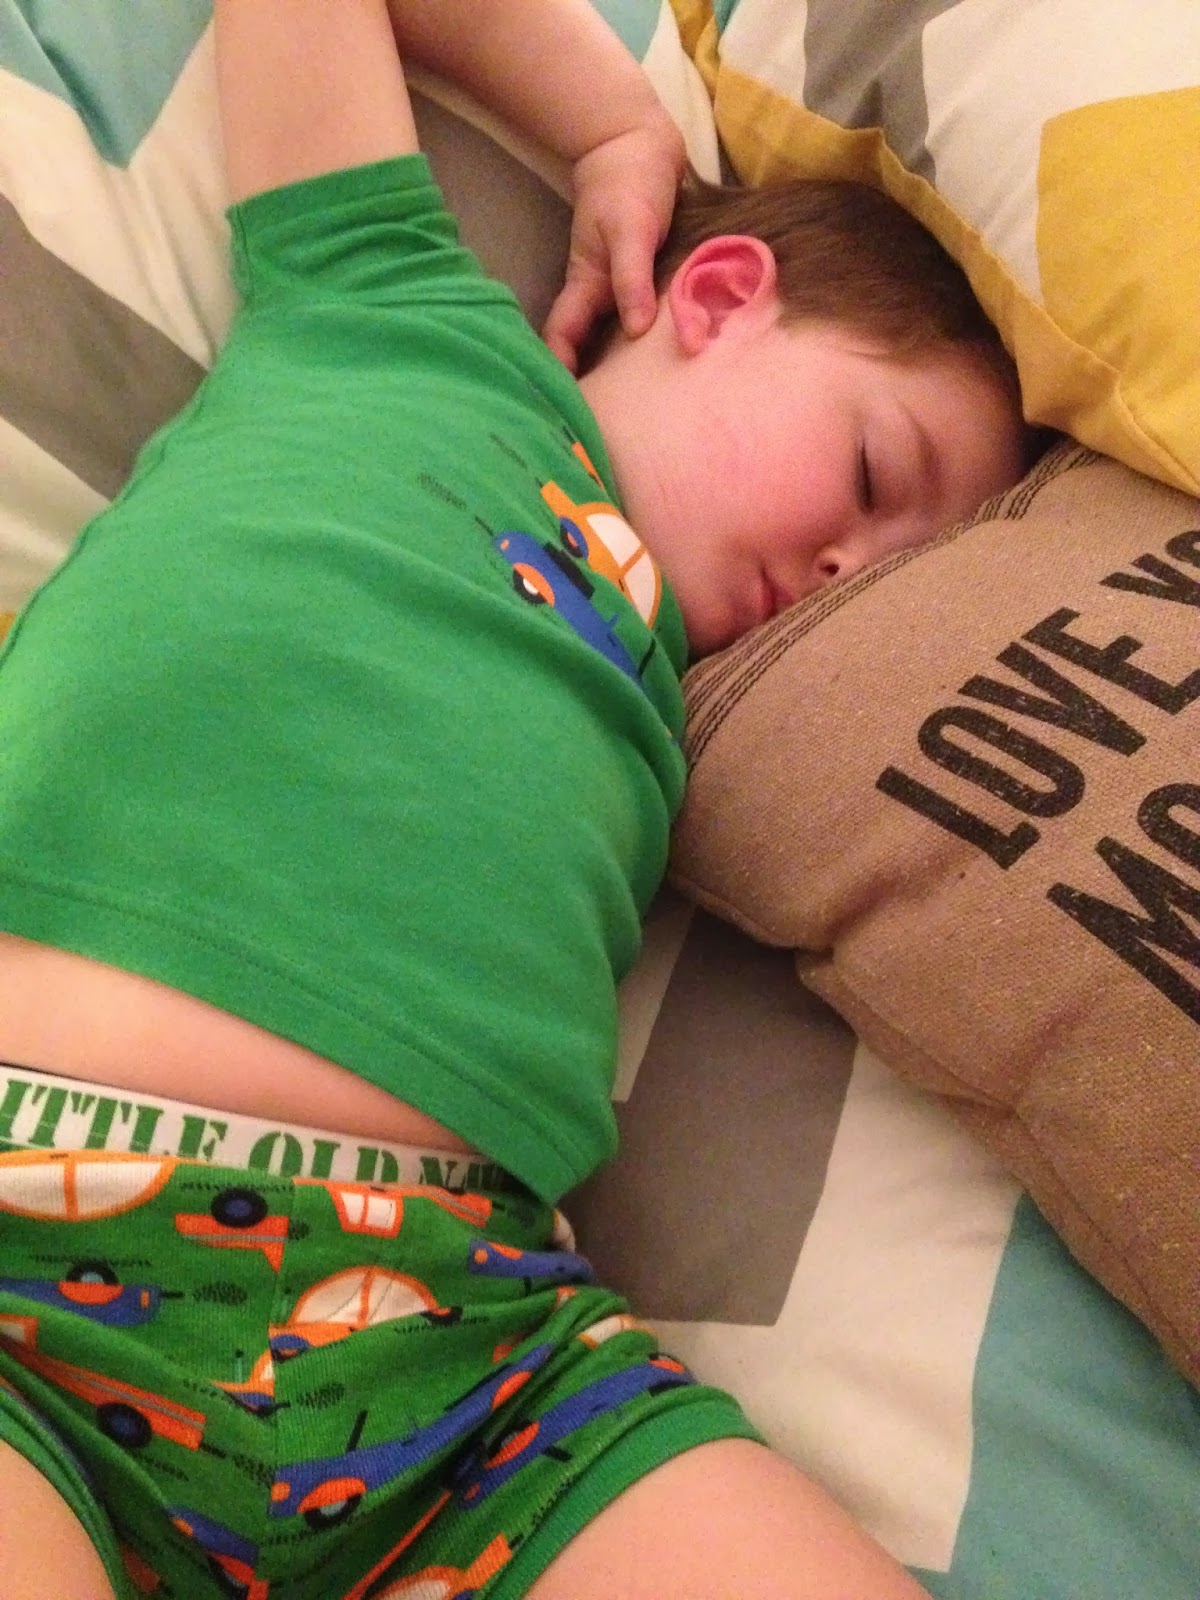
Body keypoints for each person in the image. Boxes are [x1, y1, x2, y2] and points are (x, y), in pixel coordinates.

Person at [0, 2, 1026, 1597]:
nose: (850, 572)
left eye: (899, 573)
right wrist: (616, 126)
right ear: (721, 296)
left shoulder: (721, 714)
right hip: (28, 1256)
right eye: (875, 481)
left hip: (470, 1368)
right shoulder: (396, 310)